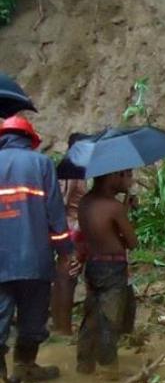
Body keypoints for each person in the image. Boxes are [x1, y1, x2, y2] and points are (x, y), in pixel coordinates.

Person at [0, 115, 77, 383]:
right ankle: (25, 367)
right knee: (33, 316)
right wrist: (65, 251)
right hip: (34, 257)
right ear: (30, 140)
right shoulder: (41, 163)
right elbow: (55, 213)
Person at [76, 169, 137, 379]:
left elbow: (99, 231)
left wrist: (123, 210)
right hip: (112, 268)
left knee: (91, 314)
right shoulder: (114, 207)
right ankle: (108, 367)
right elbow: (132, 242)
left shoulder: (85, 202)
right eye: (127, 175)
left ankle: (84, 363)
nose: (130, 180)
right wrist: (124, 213)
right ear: (113, 177)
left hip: (93, 265)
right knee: (110, 318)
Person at [50, 134, 89, 335]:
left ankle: (60, 327)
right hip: (73, 228)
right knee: (67, 277)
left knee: (65, 277)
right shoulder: (72, 169)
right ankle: (62, 328)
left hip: (74, 227)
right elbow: (62, 201)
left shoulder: (72, 168)